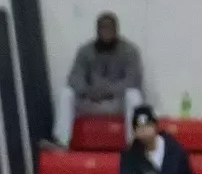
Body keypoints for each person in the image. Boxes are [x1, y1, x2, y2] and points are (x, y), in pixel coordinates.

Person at [57, 12, 143, 145]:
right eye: (103, 28)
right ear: (97, 30)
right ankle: (62, 142)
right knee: (66, 93)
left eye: (110, 28)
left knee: (134, 95)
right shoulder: (85, 50)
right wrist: (87, 91)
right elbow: (74, 78)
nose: (106, 32)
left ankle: (134, 145)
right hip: (91, 101)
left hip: (116, 102)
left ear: (116, 30)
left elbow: (133, 80)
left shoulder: (129, 51)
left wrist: (108, 91)